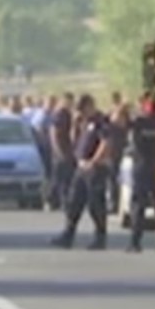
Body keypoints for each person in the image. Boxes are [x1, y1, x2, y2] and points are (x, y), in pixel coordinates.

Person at [50, 94, 111, 250]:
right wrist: (75, 125)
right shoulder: (84, 122)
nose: (81, 113)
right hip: (81, 166)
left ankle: (100, 237)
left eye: (83, 109)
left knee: (95, 204)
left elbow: (105, 143)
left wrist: (94, 161)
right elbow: (75, 140)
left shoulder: (100, 121)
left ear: (90, 106)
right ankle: (68, 235)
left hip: (95, 168)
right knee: (74, 201)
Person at [127, 91, 155, 253]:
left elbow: (132, 141)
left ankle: (135, 242)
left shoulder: (139, 122)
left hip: (142, 168)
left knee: (138, 206)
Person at [47, 93, 76, 210]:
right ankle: (52, 200)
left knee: (66, 177)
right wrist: (57, 150)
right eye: (68, 101)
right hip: (60, 150)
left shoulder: (68, 114)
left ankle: (64, 201)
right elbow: (53, 133)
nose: (70, 104)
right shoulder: (59, 114)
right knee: (58, 176)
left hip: (67, 149)